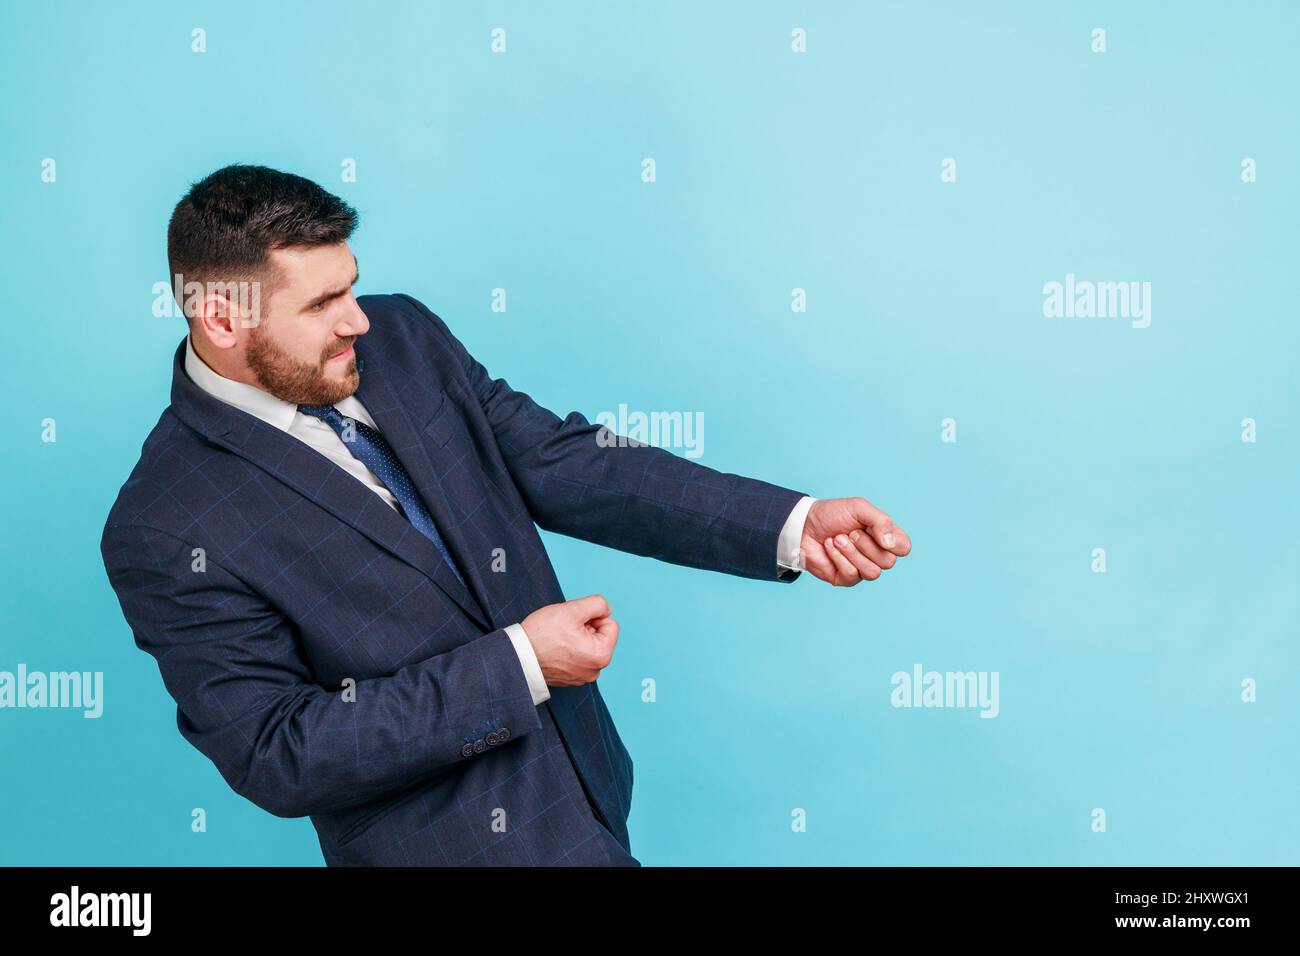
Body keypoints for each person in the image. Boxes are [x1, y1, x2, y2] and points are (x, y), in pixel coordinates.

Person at [100, 164, 912, 866]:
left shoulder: (406, 340)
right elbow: (280, 751)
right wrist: (521, 664)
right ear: (222, 318)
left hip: (587, 791)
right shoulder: (165, 526)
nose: (358, 319)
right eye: (321, 304)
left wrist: (788, 524)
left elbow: (566, 461)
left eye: (351, 285)